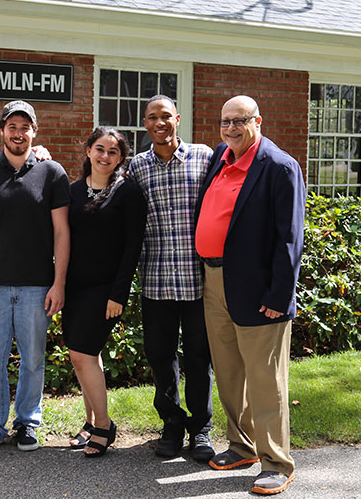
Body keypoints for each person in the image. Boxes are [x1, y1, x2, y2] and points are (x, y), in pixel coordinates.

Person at [195, 95, 305, 495]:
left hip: (259, 290)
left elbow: (290, 238)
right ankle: (242, 446)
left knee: (265, 378)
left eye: (239, 121)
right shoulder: (221, 157)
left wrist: (279, 295)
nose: (230, 129)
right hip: (214, 281)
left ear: (258, 121)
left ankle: (277, 461)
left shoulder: (278, 167)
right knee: (228, 372)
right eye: (225, 121)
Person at [0, 100, 70, 453]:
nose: (18, 133)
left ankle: (27, 422)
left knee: (33, 358)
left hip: (37, 286)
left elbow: (62, 233)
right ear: (2, 130)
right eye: (12, 126)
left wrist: (59, 282)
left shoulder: (52, 173)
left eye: (25, 127)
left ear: (34, 131)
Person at [128, 95, 216, 460]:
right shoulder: (137, 166)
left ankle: (201, 429)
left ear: (178, 118)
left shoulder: (204, 156)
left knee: (199, 357)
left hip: (199, 281)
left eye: (166, 116)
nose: (159, 123)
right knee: (161, 356)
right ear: (145, 123)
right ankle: (171, 423)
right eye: (152, 117)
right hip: (156, 280)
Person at [62, 127, 146, 458]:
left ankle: (104, 425)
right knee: (83, 355)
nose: (105, 156)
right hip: (74, 286)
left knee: (83, 354)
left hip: (105, 289)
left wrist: (119, 294)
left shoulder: (128, 192)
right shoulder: (73, 191)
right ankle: (90, 420)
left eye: (113, 152)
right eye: (99, 149)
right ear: (88, 151)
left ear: (120, 158)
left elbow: (132, 247)